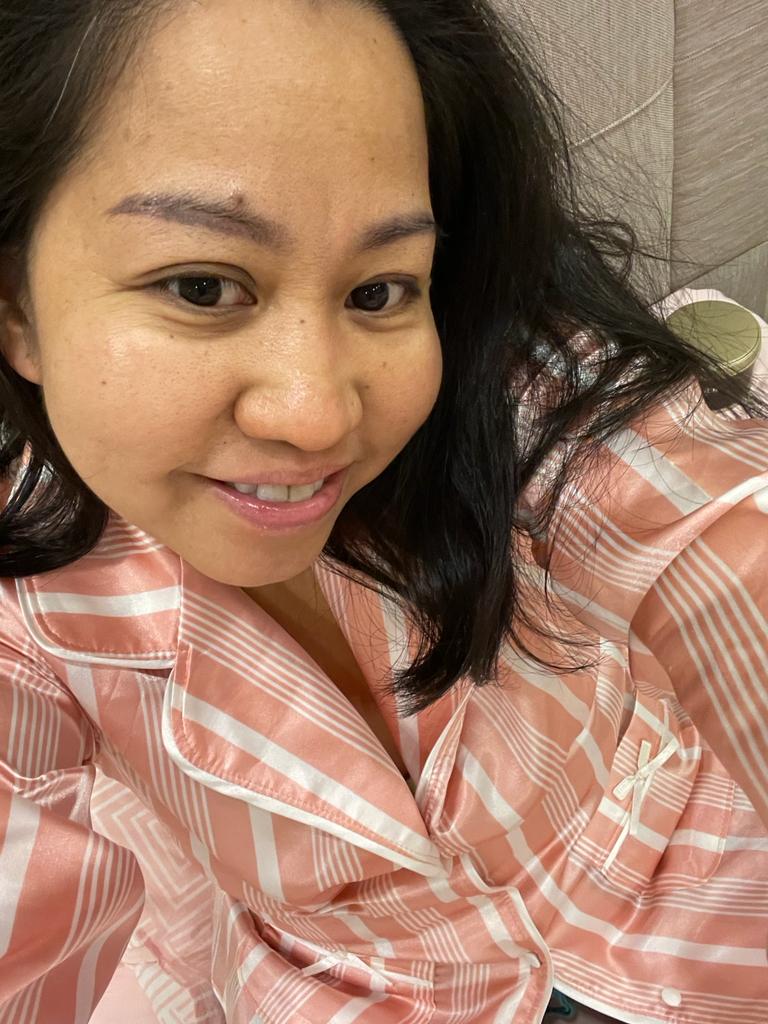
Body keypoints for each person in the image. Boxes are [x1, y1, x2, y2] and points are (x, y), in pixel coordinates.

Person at [0, 1, 766, 1022]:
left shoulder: (518, 391)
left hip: (688, 898)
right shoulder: (29, 596)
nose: (317, 414)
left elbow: (709, 527)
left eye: (377, 292)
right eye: (202, 286)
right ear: (17, 307)